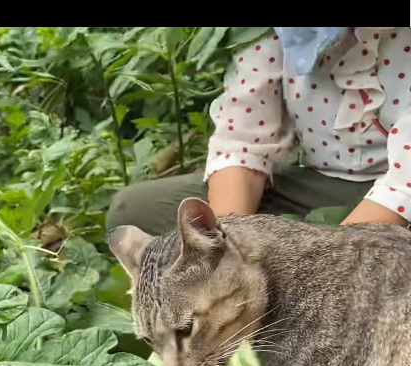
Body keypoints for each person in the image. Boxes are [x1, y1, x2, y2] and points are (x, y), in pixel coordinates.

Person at [107, 27, 411, 235]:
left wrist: (323, 269)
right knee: (138, 211)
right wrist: (230, 250)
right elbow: (243, 142)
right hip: (316, 188)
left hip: (402, 205)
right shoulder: (275, 32)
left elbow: (404, 187)